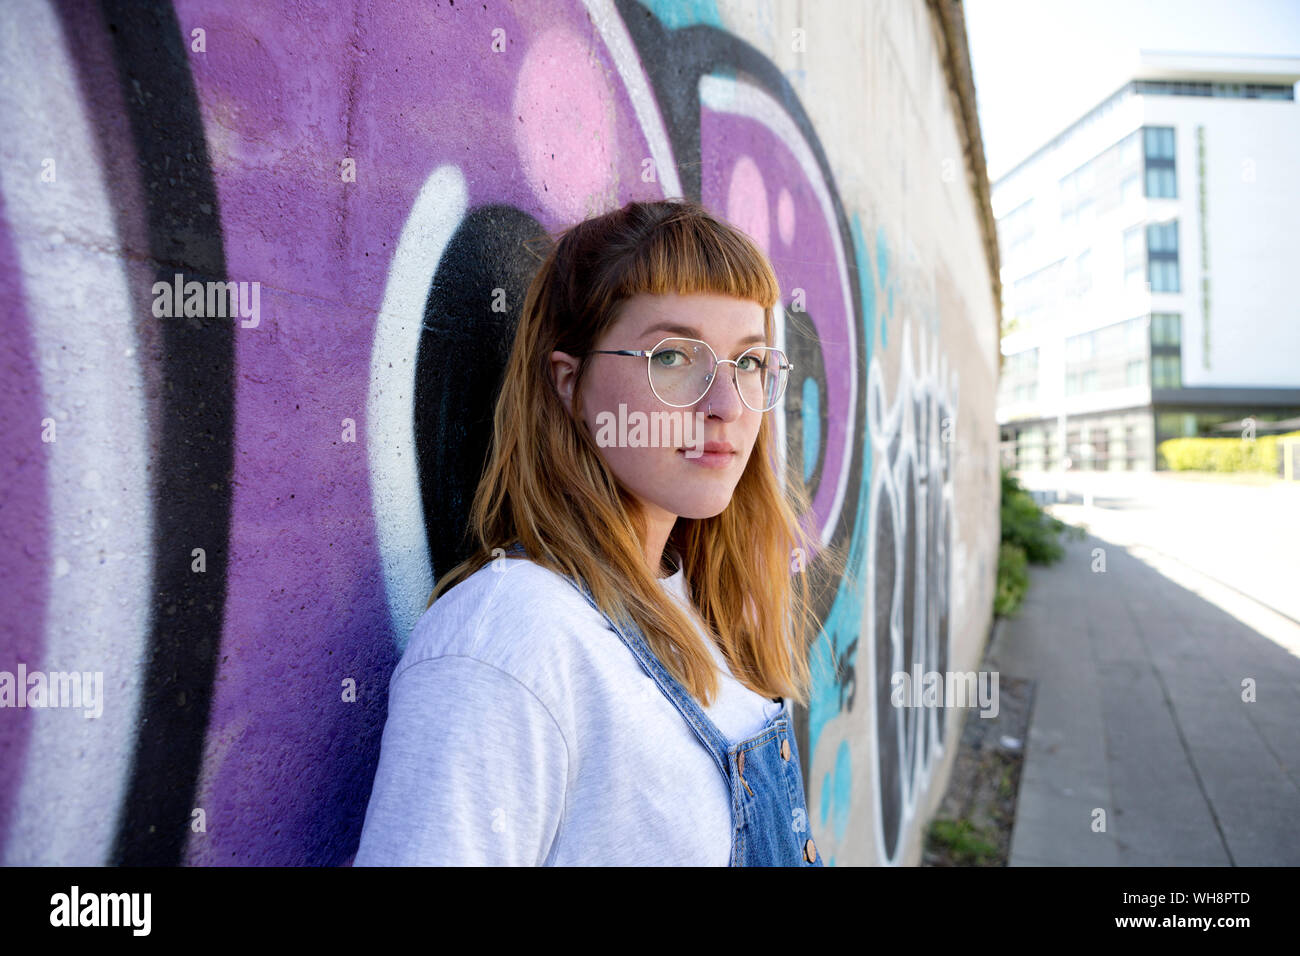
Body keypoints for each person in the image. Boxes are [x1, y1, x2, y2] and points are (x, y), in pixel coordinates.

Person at [354, 197, 833, 866]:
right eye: (673, 358)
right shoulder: (511, 637)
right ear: (569, 384)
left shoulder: (703, 604)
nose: (725, 406)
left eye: (749, 363)